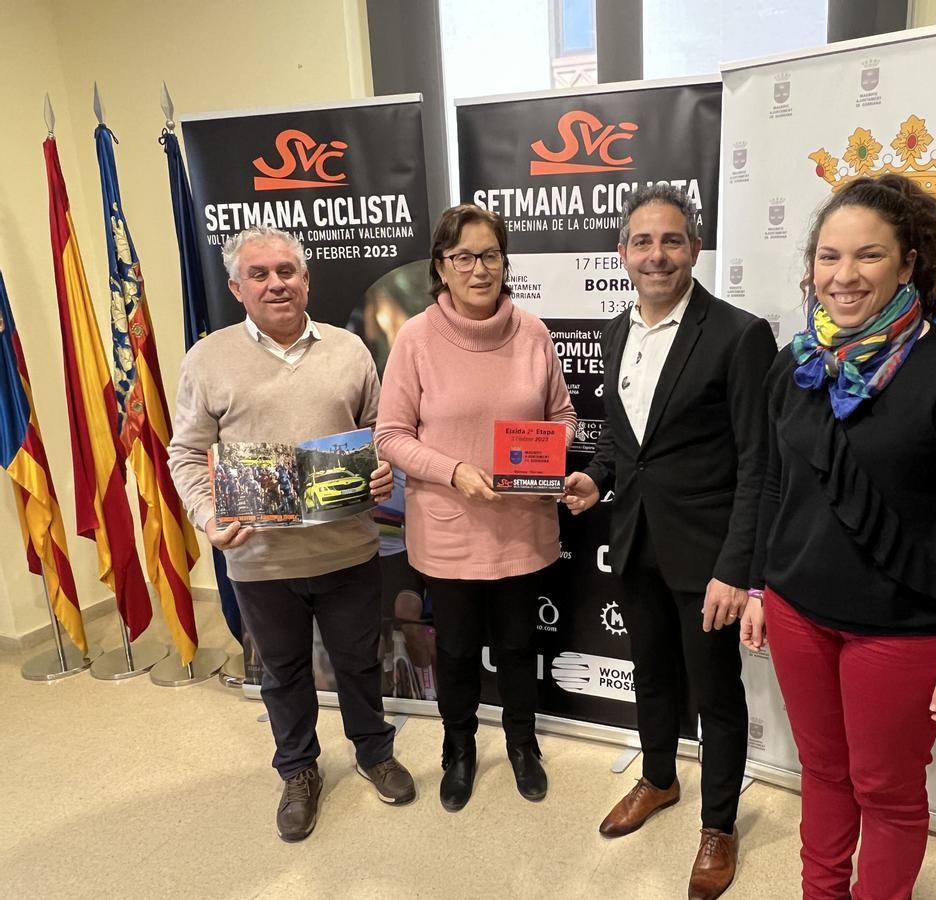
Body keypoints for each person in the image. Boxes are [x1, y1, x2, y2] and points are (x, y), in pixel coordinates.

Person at [741, 173, 936, 899]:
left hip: (904, 629)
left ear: (908, 264)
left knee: (886, 791)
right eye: (829, 257)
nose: (844, 275)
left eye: (868, 256)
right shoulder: (794, 362)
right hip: (799, 612)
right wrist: (759, 585)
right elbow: (773, 485)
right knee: (824, 775)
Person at [167, 225, 415, 844]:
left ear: (307, 279)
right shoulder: (207, 359)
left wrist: (382, 474)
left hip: (348, 549)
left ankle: (373, 751)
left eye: (287, 271)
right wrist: (207, 516)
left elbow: (376, 435)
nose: (276, 283)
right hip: (260, 558)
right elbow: (187, 454)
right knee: (281, 673)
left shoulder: (351, 350)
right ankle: (299, 771)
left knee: (360, 663)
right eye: (260, 274)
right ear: (236, 287)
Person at [562, 184, 775, 900]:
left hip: (708, 557)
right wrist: (595, 479)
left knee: (715, 694)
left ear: (695, 249)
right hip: (635, 542)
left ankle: (719, 824)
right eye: (643, 242)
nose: (657, 255)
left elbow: (758, 463)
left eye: (672, 240)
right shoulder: (615, 332)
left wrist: (736, 572)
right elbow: (629, 448)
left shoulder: (740, 334)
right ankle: (658, 778)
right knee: (650, 673)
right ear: (622, 254)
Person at [375, 204, 576, 812]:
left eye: (490, 254)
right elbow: (390, 437)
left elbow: (563, 417)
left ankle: (522, 746)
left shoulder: (534, 333)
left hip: (521, 528)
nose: (479, 268)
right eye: (463, 256)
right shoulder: (414, 339)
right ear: (441, 266)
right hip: (448, 531)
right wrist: (455, 470)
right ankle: (457, 751)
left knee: (518, 645)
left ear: (505, 262)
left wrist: (542, 455)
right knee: (457, 650)